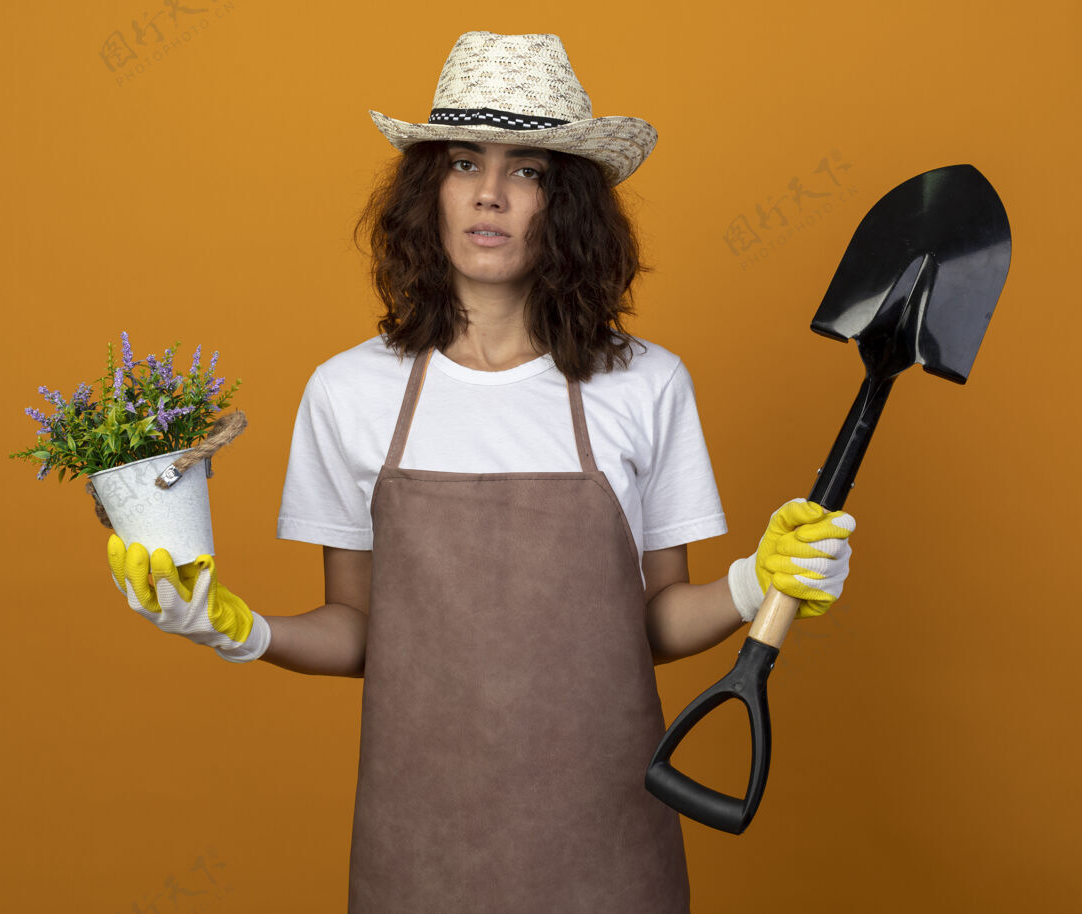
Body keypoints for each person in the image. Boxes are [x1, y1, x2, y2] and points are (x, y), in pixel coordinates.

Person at [105, 31, 855, 913]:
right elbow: (358, 630)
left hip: (606, 841)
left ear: (565, 203)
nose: (491, 193)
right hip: (418, 846)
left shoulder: (647, 384)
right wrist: (235, 627)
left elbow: (651, 623)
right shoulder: (349, 392)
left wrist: (752, 582)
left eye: (527, 169)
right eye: (464, 162)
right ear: (430, 193)